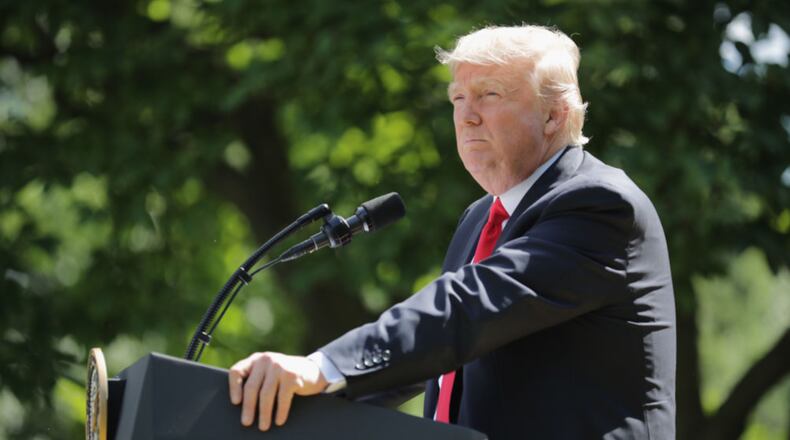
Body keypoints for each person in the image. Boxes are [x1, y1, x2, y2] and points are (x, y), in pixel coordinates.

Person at [228, 25, 676, 439]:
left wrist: (322, 367)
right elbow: (438, 359)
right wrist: (302, 399)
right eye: (457, 98)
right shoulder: (479, 220)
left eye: (489, 94)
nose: (467, 116)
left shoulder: (599, 204)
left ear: (554, 115)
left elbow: (465, 312)